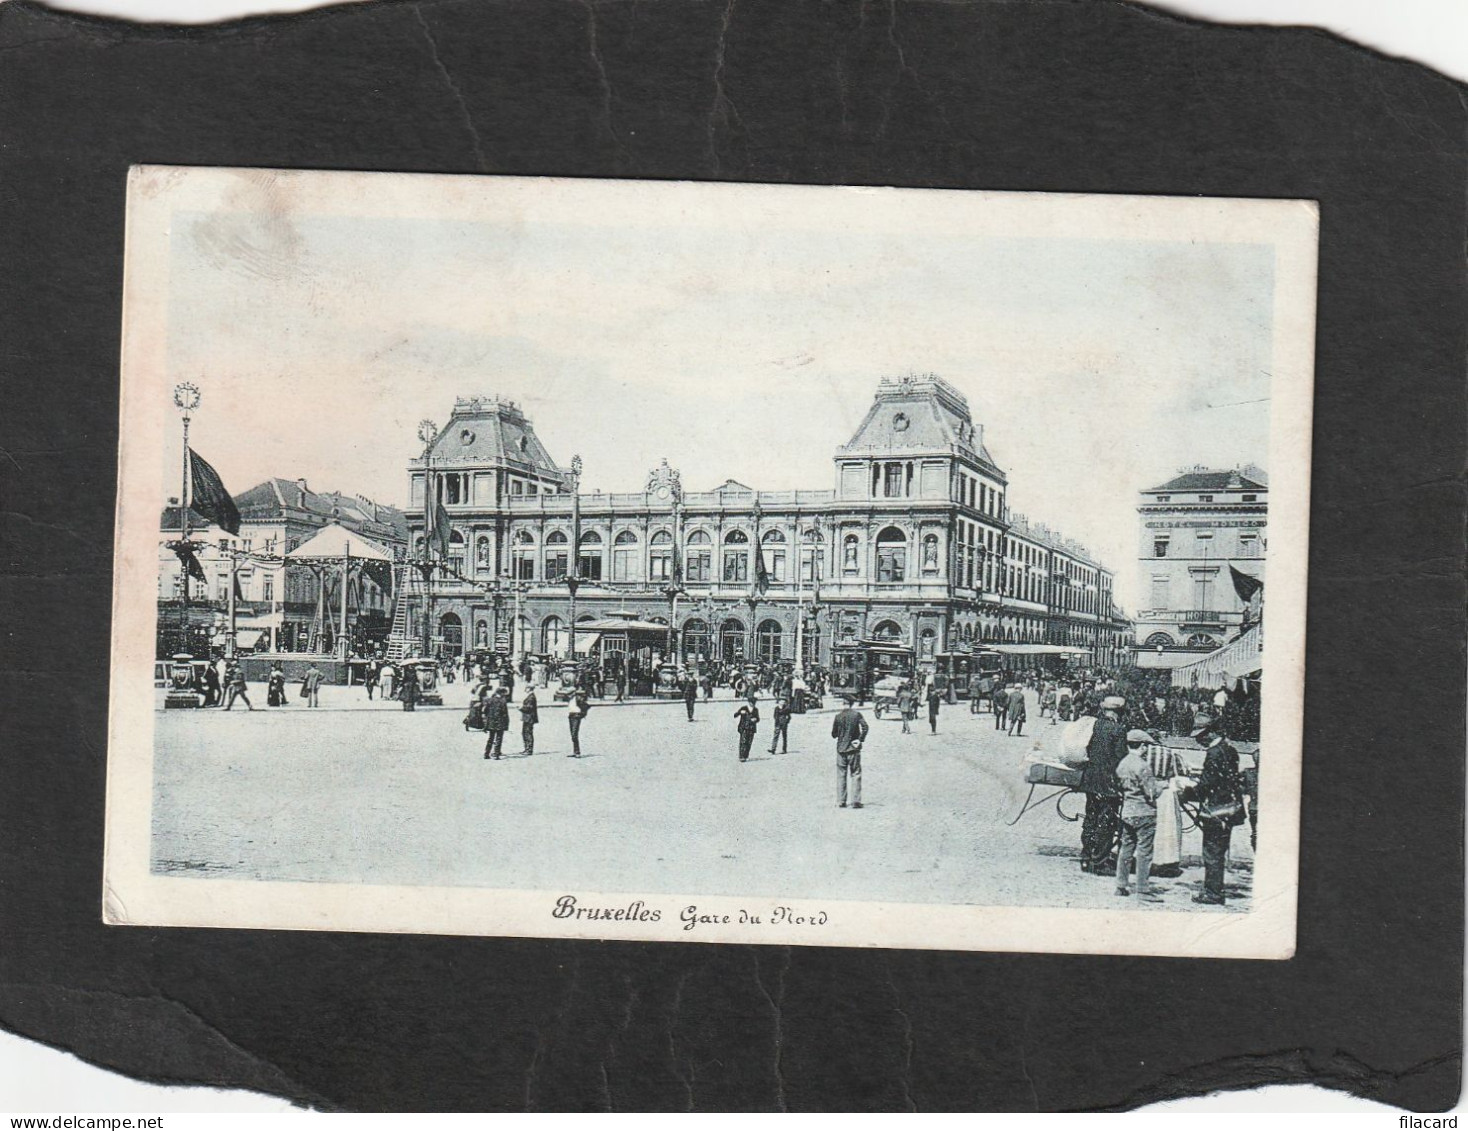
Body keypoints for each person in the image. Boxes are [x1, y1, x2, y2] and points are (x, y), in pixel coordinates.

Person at [1187, 713, 1245, 905]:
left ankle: (1213, 893)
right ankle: (1214, 889)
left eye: (1201, 735)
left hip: (1216, 811)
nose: (1198, 739)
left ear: (1211, 732)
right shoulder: (1229, 750)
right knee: (1219, 850)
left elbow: (1207, 784)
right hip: (1230, 809)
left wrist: (1187, 793)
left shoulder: (1213, 754)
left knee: (1211, 852)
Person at [1079, 695, 1127, 874]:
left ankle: (1086, 856)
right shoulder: (1118, 729)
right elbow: (1120, 758)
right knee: (1106, 822)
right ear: (1119, 712)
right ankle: (1100, 862)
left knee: (1091, 817)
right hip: (1108, 784)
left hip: (1091, 780)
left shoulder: (1097, 725)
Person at [1115, 730, 1165, 899]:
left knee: (1125, 849)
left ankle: (1121, 885)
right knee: (1144, 852)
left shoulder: (1122, 763)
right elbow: (1151, 793)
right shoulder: (1143, 766)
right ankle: (1142, 889)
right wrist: (1162, 785)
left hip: (1127, 811)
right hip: (1144, 812)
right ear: (1142, 746)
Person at [831, 695, 869, 809]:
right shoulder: (856, 715)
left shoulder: (838, 716)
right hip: (853, 749)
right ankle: (856, 801)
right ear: (852, 704)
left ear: (843, 704)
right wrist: (860, 739)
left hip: (841, 749)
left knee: (841, 775)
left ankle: (841, 801)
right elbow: (865, 727)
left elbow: (834, 734)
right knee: (856, 773)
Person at [482, 686, 510, 760]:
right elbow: (505, 713)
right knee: (499, 738)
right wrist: (506, 723)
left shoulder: (490, 700)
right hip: (500, 722)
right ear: (502, 693)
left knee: (490, 738)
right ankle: (496, 754)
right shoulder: (502, 701)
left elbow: (485, 710)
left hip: (491, 721)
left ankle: (486, 753)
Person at [734, 697, 760, 762]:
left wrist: (756, 719)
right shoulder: (744, 708)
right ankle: (741, 756)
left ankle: (745, 756)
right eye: (752, 703)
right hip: (744, 727)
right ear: (749, 702)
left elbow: (758, 718)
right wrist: (740, 712)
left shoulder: (755, 710)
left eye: (754, 703)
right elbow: (735, 715)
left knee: (749, 742)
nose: (753, 704)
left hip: (751, 728)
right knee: (743, 741)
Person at [567, 686, 589, 757]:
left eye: (570, 693)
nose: (568, 695)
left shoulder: (578, 698)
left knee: (574, 734)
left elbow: (586, 706)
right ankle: (575, 751)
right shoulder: (570, 699)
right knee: (572, 734)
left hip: (576, 716)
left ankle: (577, 752)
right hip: (571, 716)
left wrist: (582, 714)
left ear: (574, 693)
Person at [518, 687, 539, 755]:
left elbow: (529, 708)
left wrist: (521, 708)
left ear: (529, 689)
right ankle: (527, 748)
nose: (525, 689)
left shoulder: (531, 697)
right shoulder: (530, 696)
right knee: (525, 733)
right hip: (527, 718)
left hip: (529, 718)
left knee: (528, 733)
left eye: (526, 688)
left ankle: (529, 749)